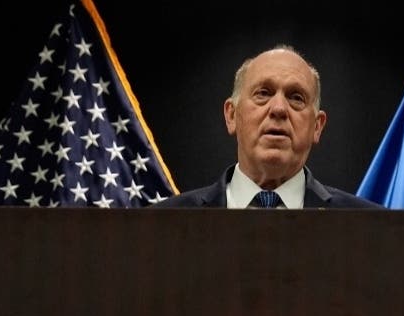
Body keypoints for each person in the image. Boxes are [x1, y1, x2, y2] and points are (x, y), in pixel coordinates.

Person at [155, 44, 379, 209]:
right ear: (231, 115)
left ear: (317, 127)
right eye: (263, 93)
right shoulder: (162, 222)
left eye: (296, 97)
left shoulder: (372, 226)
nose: (279, 109)